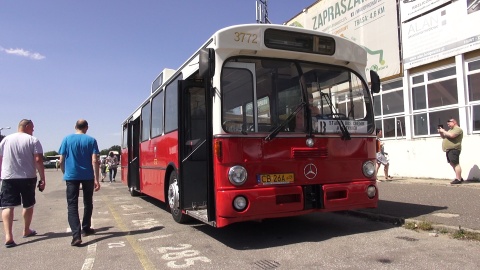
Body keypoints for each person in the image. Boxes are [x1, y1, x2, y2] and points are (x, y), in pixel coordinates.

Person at [0, 119, 45, 248]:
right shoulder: (33, 140)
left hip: (8, 177)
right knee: (28, 204)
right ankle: (26, 229)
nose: (33, 130)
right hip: (27, 177)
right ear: (26, 126)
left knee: (7, 206)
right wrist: (42, 178)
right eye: (32, 127)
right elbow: (38, 160)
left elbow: (0, 158)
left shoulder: (6, 140)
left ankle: (8, 236)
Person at [58, 119, 100, 246]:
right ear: (87, 128)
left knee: (72, 205)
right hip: (87, 176)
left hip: (71, 176)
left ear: (75, 126)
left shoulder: (66, 139)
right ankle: (86, 227)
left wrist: (64, 172)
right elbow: (95, 160)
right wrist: (96, 179)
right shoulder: (91, 140)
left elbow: (61, 160)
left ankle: (76, 236)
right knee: (88, 202)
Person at [438, 118, 463, 184]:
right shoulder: (450, 130)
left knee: (456, 163)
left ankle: (458, 179)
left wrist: (443, 131)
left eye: (449, 123)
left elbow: (452, 136)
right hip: (448, 150)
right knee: (452, 163)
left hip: (454, 149)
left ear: (454, 122)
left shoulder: (458, 129)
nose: (448, 125)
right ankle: (459, 176)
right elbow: (444, 137)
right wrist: (441, 132)